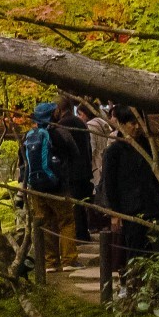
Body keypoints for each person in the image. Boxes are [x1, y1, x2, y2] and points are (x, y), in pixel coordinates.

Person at [97, 107, 159, 266]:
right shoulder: (114, 151)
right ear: (122, 125)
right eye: (132, 123)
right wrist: (114, 213)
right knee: (134, 252)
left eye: (139, 123)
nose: (137, 127)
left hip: (153, 206)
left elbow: (157, 178)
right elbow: (109, 184)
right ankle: (131, 284)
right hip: (130, 209)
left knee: (158, 250)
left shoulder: (148, 147)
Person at [19, 102, 77, 272]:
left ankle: (50, 262)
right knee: (66, 221)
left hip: (36, 187)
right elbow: (75, 155)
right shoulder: (61, 133)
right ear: (53, 114)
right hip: (58, 186)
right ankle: (69, 260)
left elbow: (22, 163)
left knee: (46, 223)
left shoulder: (28, 136)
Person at [54, 94, 96, 242]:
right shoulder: (81, 122)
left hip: (72, 170)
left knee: (74, 206)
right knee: (82, 204)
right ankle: (84, 233)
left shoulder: (62, 125)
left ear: (59, 109)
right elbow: (89, 147)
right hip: (85, 168)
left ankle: (78, 235)